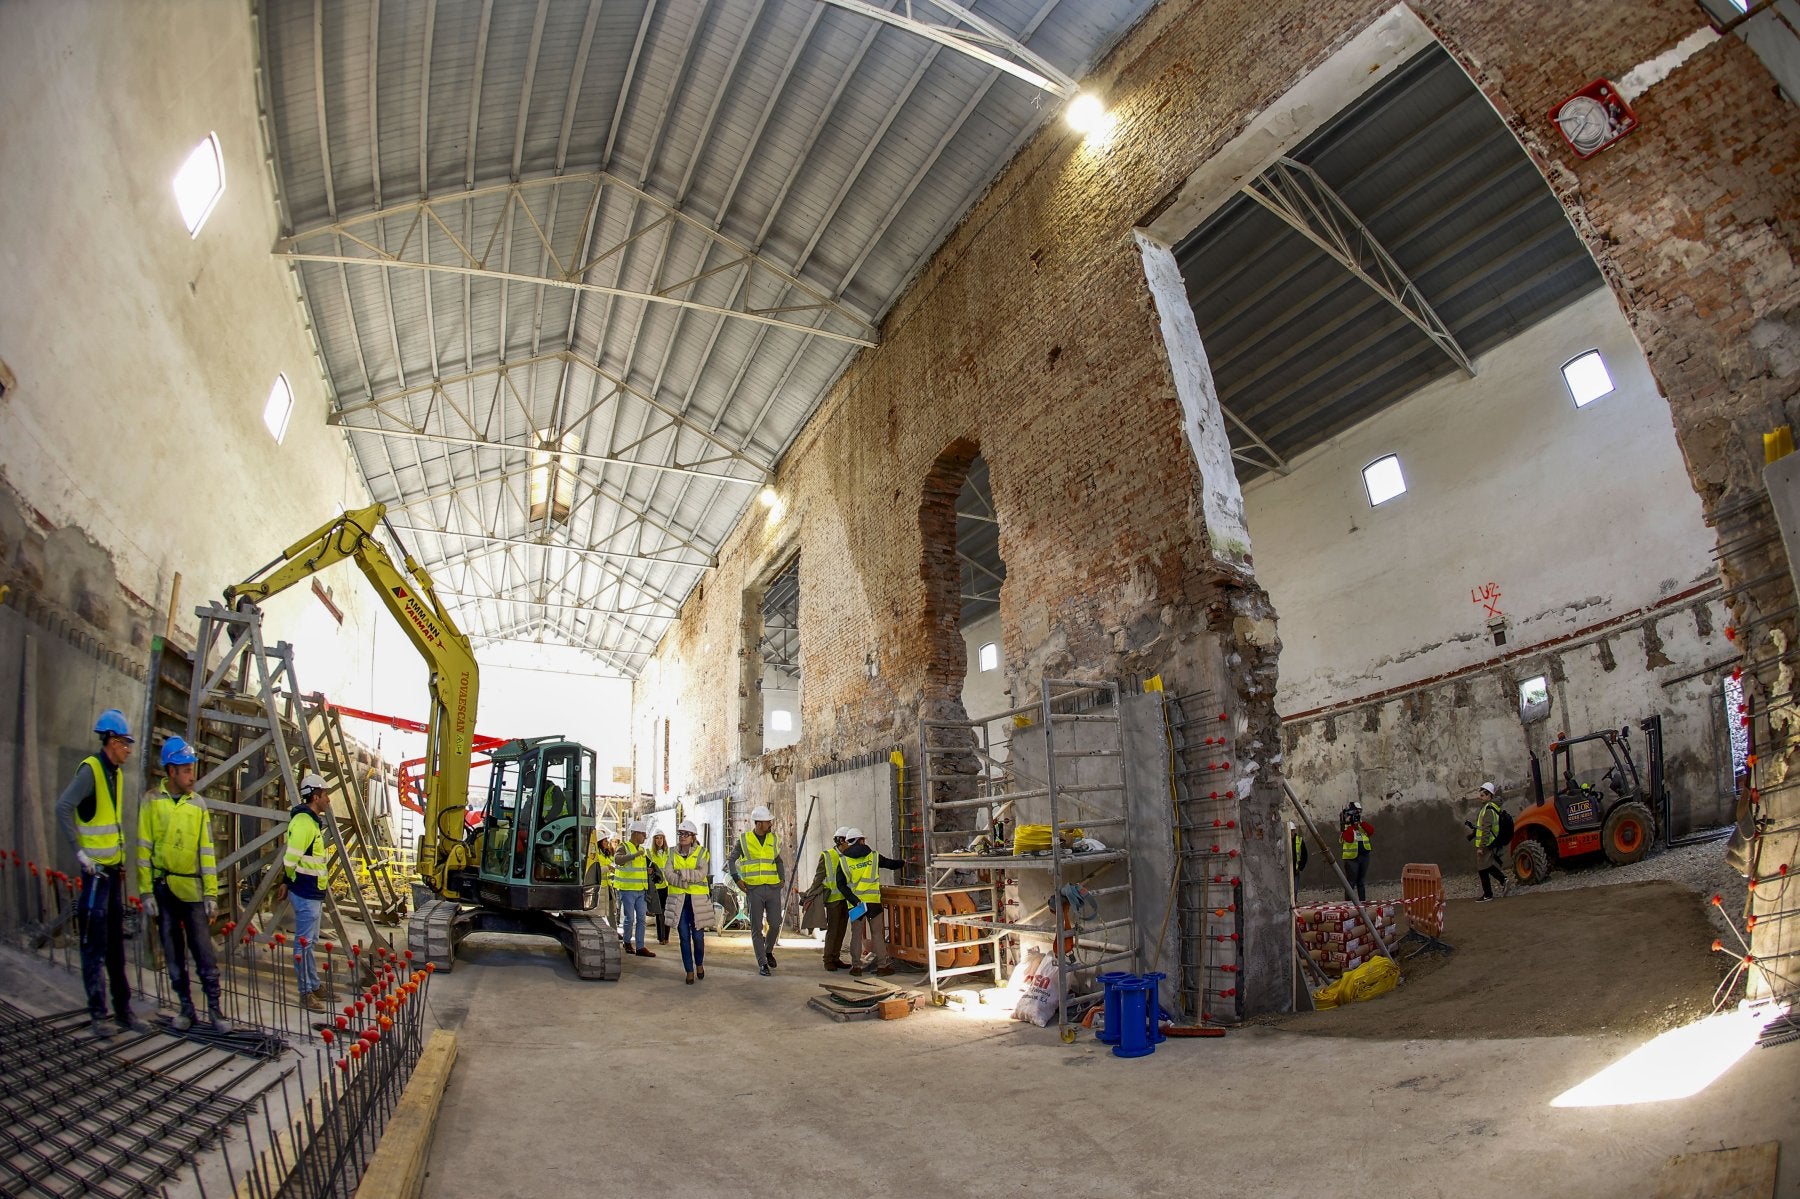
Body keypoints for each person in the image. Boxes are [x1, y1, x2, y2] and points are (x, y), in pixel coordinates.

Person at [56, 708, 150, 1038]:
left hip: (111, 875)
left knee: (115, 947)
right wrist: (81, 853)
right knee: (93, 946)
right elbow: (63, 808)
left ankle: (123, 1011)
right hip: (95, 878)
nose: (128, 749)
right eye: (125, 743)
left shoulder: (116, 773)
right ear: (111, 740)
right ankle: (99, 1014)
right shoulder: (91, 771)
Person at [136, 736, 230, 1032]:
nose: (193, 776)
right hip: (164, 889)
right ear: (171, 772)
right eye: (186, 770)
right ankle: (186, 1008)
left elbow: (206, 853)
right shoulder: (152, 802)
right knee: (173, 951)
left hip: (192, 891)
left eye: (193, 769)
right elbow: (143, 849)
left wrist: (211, 894)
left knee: (203, 951)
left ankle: (215, 1010)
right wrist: (145, 891)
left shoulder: (197, 805)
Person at [274, 772, 333, 1012]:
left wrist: (287, 882)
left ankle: (314, 984)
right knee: (304, 943)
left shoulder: (311, 822)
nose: (329, 799)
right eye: (326, 795)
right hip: (306, 892)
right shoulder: (303, 823)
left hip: (313, 892)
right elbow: (291, 860)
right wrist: (288, 881)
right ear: (316, 796)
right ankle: (305, 991)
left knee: (310, 941)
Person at [834, 829, 904, 977]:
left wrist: (854, 900)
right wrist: (904, 862)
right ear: (861, 840)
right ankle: (882, 967)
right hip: (873, 903)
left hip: (856, 904)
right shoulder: (873, 856)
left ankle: (856, 967)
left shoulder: (843, 860)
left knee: (856, 935)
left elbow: (841, 885)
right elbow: (891, 864)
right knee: (877, 934)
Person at [727, 804, 785, 976]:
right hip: (754, 889)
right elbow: (731, 860)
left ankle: (768, 951)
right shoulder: (744, 840)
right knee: (757, 927)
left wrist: (782, 877)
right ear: (759, 823)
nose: (770, 825)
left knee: (775, 923)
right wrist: (737, 880)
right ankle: (762, 962)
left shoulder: (773, 839)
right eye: (768, 822)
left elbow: (778, 860)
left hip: (773, 887)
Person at [666, 820, 715, 984]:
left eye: (686, 834)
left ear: (693, 837)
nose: (682, 837)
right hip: (679, 901)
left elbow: (701, 874)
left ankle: (699, 963)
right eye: (680, 833)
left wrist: (681, 874)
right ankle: (689, 970)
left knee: (698, 937)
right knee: (684, 937)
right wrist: (685, 880)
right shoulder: (671, 852)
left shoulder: (702, 853)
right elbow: (668, 874)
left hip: (697, 901)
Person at [800, 828, 852, 970]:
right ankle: (828, 959)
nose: (851, 843)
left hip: (847, 898)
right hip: (833, 899)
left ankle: (836, 957)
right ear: (841, 841)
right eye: (848, 840)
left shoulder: (850, 855)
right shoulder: (827, 855)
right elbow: (819, 877)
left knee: (841, 929)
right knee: (833, 929)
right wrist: (809, 894)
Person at [613, 818, 655, 957]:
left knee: (642, 919)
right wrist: (633, 856)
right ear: (636, 833)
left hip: (640, 890)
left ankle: (640, 946)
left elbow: (639, 868)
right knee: (629, 918)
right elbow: (618, 860)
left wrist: (647, 871)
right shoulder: (623, 846)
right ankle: (627, 942)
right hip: (628, 889)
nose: (645, 837)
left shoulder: (642, 850)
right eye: (643, 834)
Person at [1467, 782, 1512, 902]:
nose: (1479, 797)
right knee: (1486, 866)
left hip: (1486, 843)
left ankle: (1489, 894)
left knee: (1482, 869)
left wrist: (1481, 846)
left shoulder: (1488, 809)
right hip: (1488, 842)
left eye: (1482, 795)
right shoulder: (1490, 807)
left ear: (1489, 796)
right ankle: (1502, 881)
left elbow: (1486, 829)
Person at [1339, 801, 1373, 903]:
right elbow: (1349, 839)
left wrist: (1360, 823)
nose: (1357, 815)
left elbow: (1371, 831)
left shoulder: (1361, 826)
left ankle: (1362, 904)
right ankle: (1348, 905)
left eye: (1359, 813)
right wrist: (1349, 824)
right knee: (1350, 883)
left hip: (1364, 857)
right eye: (1356, 813)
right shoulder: (1346, 828)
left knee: (1361, 882)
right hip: (1351, 859)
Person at [649, 830, 672, 945]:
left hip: (667, 886)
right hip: (657, 886)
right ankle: (661, 937)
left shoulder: (668, 853)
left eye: (661, 838)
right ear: (654, 840)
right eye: (657, 838)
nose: (659, 840)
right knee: (659, 912)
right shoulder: (650, 854)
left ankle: (666, 937)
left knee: (667, 912)